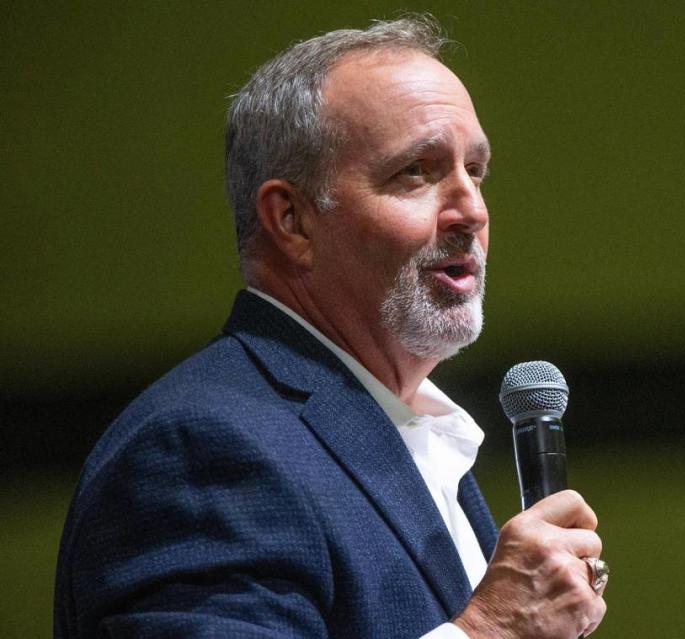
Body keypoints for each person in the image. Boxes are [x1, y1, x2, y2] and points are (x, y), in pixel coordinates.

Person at [54, 16, 607, 639]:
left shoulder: (411, 431)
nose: (472, 210)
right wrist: (491, 631)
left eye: (474, 171)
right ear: (291, 220)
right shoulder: (201, 450)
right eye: (417, 172)